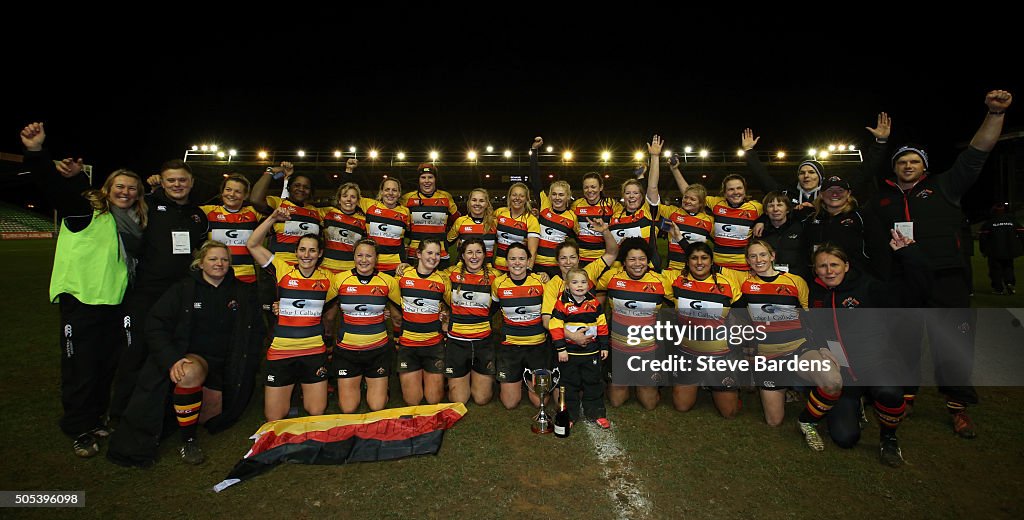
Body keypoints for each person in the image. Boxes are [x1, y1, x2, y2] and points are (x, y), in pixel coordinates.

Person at [873, 90, 1013, 438]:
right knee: (903, 339)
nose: (907, 166)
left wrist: (995, 114)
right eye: (902, 161)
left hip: (945, 276)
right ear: (894, 168)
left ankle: (958, 405)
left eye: (914, 161)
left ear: (924, 167)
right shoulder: (885, 198)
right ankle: (905, 396)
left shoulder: (946, 186)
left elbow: (978, 152)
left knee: (952, 342)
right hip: (903, 278)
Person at [22, 122, 147, 458]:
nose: (125, 192)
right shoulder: (86, 209)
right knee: (80, 368)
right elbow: (50, 186)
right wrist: (37, 152)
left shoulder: (132, 222)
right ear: (107, 188)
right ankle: (78, 428)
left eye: (132, 189)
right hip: (80, 301)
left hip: (113, 303)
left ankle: (94, 418)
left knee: (106, 366)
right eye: (120, 187)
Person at [107, 241, 264, 467]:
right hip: (195, 359)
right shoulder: (182, 289)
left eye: (224, 259)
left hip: (226, 365)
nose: (219, 264)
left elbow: (257, 330)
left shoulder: (243, 291)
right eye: (213, 259)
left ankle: (184, 405)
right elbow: (155, 324)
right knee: (188, 374)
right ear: (200, 263)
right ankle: (188, 441)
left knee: (212, 419)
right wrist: (171, 359)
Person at [807, 236, 928, 467]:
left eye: (834, 265)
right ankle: (857, 403)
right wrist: (820, 346)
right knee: (845, 438)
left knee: (889, 391)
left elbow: (913, 293)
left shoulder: (869, 287)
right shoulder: (817, 293)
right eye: (823, 266)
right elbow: (814, 327)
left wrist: (909, 255)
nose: (829, 271)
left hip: (877, 365)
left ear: (847, 266)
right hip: (845, 375)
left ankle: (889, 438)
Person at [110, 158, 208, 424]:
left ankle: (164, 413)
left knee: (173, 352)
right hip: (145, 292)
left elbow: (198, 250)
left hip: (181, 294)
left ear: (191, 182)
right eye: (171, 180)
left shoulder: (198, 215)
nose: (177, 185)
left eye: (182, 180)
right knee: (135, 352)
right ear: (162, 182)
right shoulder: (148, 205)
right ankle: (121, 415)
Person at [735, 240, 842, 451]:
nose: (759, 260)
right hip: (767, 357)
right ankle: (787, 386)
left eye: (763, 255)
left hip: (798, 349)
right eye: (753, 256)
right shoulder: (744, 284)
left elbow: (810, 318)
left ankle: (807, 420)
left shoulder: (795, 281)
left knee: (833, 381)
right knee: (774, 421)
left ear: (773, 256)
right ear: (747, 261)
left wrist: (822, 347)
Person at [247, 208, 337, 421]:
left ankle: (298, 395)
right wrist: (272, 219)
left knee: (316, 411)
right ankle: (290, 397)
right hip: (281, 352)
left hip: (314, 352)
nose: (307, 255)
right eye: (302, 250)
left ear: (320, 253)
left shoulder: (330, 278)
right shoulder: (282, 269)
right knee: (274, 418)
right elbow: (252, 244)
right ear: (296, 252)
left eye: (312, 250)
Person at [662, 237, 742, 418]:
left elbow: (741, 316)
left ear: (711, 261)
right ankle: (699, 379)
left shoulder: (727, 283)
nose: (699, 262)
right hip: (687, 352)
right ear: (687, 261)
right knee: (682, 406)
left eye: (704, 258)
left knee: (729, 413)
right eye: (694, 258)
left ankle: (723, 381)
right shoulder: (675, 281)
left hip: (720, 354)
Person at [594, 238, 673, 410]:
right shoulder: (611, 277)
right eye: (632, 259)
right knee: (616, 401)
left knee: (649, 403)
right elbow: (594, 295)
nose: (638, 264)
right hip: (618, 347)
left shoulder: (661, 281)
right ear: (623, 261)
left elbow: (680, 304)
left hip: (648, 350)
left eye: (642, 259)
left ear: (648, 260)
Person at [331, 239, 402, 413]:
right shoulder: (339, 280)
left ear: (376, 258)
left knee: (377, 406)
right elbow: (322, 309)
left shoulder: (387, 281)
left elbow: (399, 313)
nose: (364, 260)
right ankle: (358, 382)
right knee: (348, 408)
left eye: (369, 255)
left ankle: (380, 385)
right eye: (359, 255)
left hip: (378, 350)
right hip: (347, 351)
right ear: (353, 257)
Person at [670, 161, 763, 271]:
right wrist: (675, 170)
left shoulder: (757, 208)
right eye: (731, 189)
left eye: (739, 188)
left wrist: (762, 220)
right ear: (724, 193)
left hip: (744, 266)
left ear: (745, 190)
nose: (735, 192)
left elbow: (775, 213)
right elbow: (692, 193)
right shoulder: (716, 203)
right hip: (718, 266)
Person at [549, 268, 610, 428]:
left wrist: (604, 346)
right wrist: (561, 348)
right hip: (569, 354)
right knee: (569, 385)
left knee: (593, 383)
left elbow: (602, 325)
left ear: (589, 285)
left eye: (583, 282)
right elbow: (555, 326)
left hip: (591, 353)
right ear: (567, 286)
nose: (580, 286)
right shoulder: (561, 304)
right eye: (575, 282)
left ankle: (596, 412)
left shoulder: (595, 303)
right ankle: (570, 415)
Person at [491, 243, 550, 409]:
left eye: (522, 259)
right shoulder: (499, 284)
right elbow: (490, 311)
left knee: (540, 403)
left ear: (529, 261)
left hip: (537, 346)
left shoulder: (540, 281)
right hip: (510, 347)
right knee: (510, 403)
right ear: (506, 261)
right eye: (513, 259)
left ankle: (528, 379)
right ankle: (518, 380)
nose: (517, 263)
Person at [440, 239, 499, 405]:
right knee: (459, 400)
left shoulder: (496, 277)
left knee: (482, 399)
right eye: (470, 252)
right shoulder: (449, 273)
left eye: (478, 252)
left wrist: (540, 275)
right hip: (457, 342)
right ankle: (457, 377)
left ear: (485, 255)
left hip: (483, 341)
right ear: (462, 256)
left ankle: (480, 375)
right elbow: (429, 280)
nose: (474, 256)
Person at [802, 175, 892, 280]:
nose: (835, 194)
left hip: (857, 282)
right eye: (830, 190)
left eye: (840, 190)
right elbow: (804, 253)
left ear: (848, 193)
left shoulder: (862, 216)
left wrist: (879, 280)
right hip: (820, 281)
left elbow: (880, 251)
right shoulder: (811, 220)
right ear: (821, 194)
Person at [395, 239, 451, 406]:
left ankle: (436, 378)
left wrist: (446, 315)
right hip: (408, 345)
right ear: (418, 254)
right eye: (429, 253)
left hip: (433, 345)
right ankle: (416, 375)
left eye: (437, 254)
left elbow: (452, 305)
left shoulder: (443, 279)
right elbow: (390, 299)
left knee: (434, 399)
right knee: (413, 401)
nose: (433, 257)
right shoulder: (403, 276)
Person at [249, 161, 322, 266]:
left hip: (307, 268)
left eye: (306, 187)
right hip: (279, 267)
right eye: (297, 185)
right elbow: (255, 200)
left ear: (310, 191)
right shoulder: (278, 204)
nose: (301, 189)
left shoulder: (317, 212)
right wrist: (270, 172)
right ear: (289, 187)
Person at [741, 127, 822, 216]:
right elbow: (762, 178)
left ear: (820, 176)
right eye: (802, 173)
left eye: (811, 172)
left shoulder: (828, 196)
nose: (806, 175)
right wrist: (749, 151)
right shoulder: (785, 193)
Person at [529, 136, 580, 279]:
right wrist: (534, 151)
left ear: (568, 196)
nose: (557, 198)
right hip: (536, 264)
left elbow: (580, 241)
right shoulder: (544, 205)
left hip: (557, 268)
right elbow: (535, 178)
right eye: (554, 194)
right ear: (550, 195)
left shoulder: (572, 217)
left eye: (561, 195)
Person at [200, 174, 262, 283]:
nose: (232, 194)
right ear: (222, 191)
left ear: (245, 195)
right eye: (228, 189)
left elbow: (277, 209)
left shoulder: (254, 213)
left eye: (238, 191)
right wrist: (159, 186)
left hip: (246, 276)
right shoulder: (207, 212)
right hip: (216, 275)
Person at [402, 163, 460, 269]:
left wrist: (448, 241)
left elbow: (459, 221)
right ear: (418, 180)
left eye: (430, 177)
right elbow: (397, 221)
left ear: (435, 179)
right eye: (423, 177)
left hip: (440, 254)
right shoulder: (407, 198)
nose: (427, 181)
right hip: (415, 254)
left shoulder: (446, 197)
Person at [756, 192, 810, 281]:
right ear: (765, 211)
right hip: (767, 279)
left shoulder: (800, 227)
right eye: (771, 206)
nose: (775, 209)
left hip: (797, 279)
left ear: (787, 209)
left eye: (780, 205)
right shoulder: (760, 231)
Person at [571, 172, 622, 267]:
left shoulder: (611, 204)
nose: (589, 190)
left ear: (601, 187)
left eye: (593, 187)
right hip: (581, 258)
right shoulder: (576, 205)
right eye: (586, 187)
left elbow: (622, 220)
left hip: (604, 258)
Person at [318, 182, 367, 274]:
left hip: (350, 269)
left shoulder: (364, 220)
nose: (348, 199)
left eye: (353, 197)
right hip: (326, 267)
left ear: (357, 201)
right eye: (345, 196)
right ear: (339, 200)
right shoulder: (327, 213)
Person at [493, 182, 540, 272]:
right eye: (514, 195)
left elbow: (532, 251)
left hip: (518, 270)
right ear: (509, 197)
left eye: (521, 196)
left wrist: (528, 270)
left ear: (526, 199)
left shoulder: (531, 220)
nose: (517, 198)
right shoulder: (500, 213)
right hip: (498, 267)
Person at [979, 203, 1023, 295]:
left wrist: (983, 250)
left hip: (994, 251)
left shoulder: (989, 223)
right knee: (1008, 267)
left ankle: (998, 289)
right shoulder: (1012, 221)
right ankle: (1010, 283)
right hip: (1009, 250)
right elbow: (1022, 232)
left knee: (995, 270)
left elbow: (983, 238)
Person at [447, 187, 498, 263]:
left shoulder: (494, 223)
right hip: (463, 270)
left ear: (487, 204)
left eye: (481, 201)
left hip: (487, 270)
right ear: (469, 202)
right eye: (474, 200)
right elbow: (446, 243)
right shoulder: (460, 221)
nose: (477, 204)